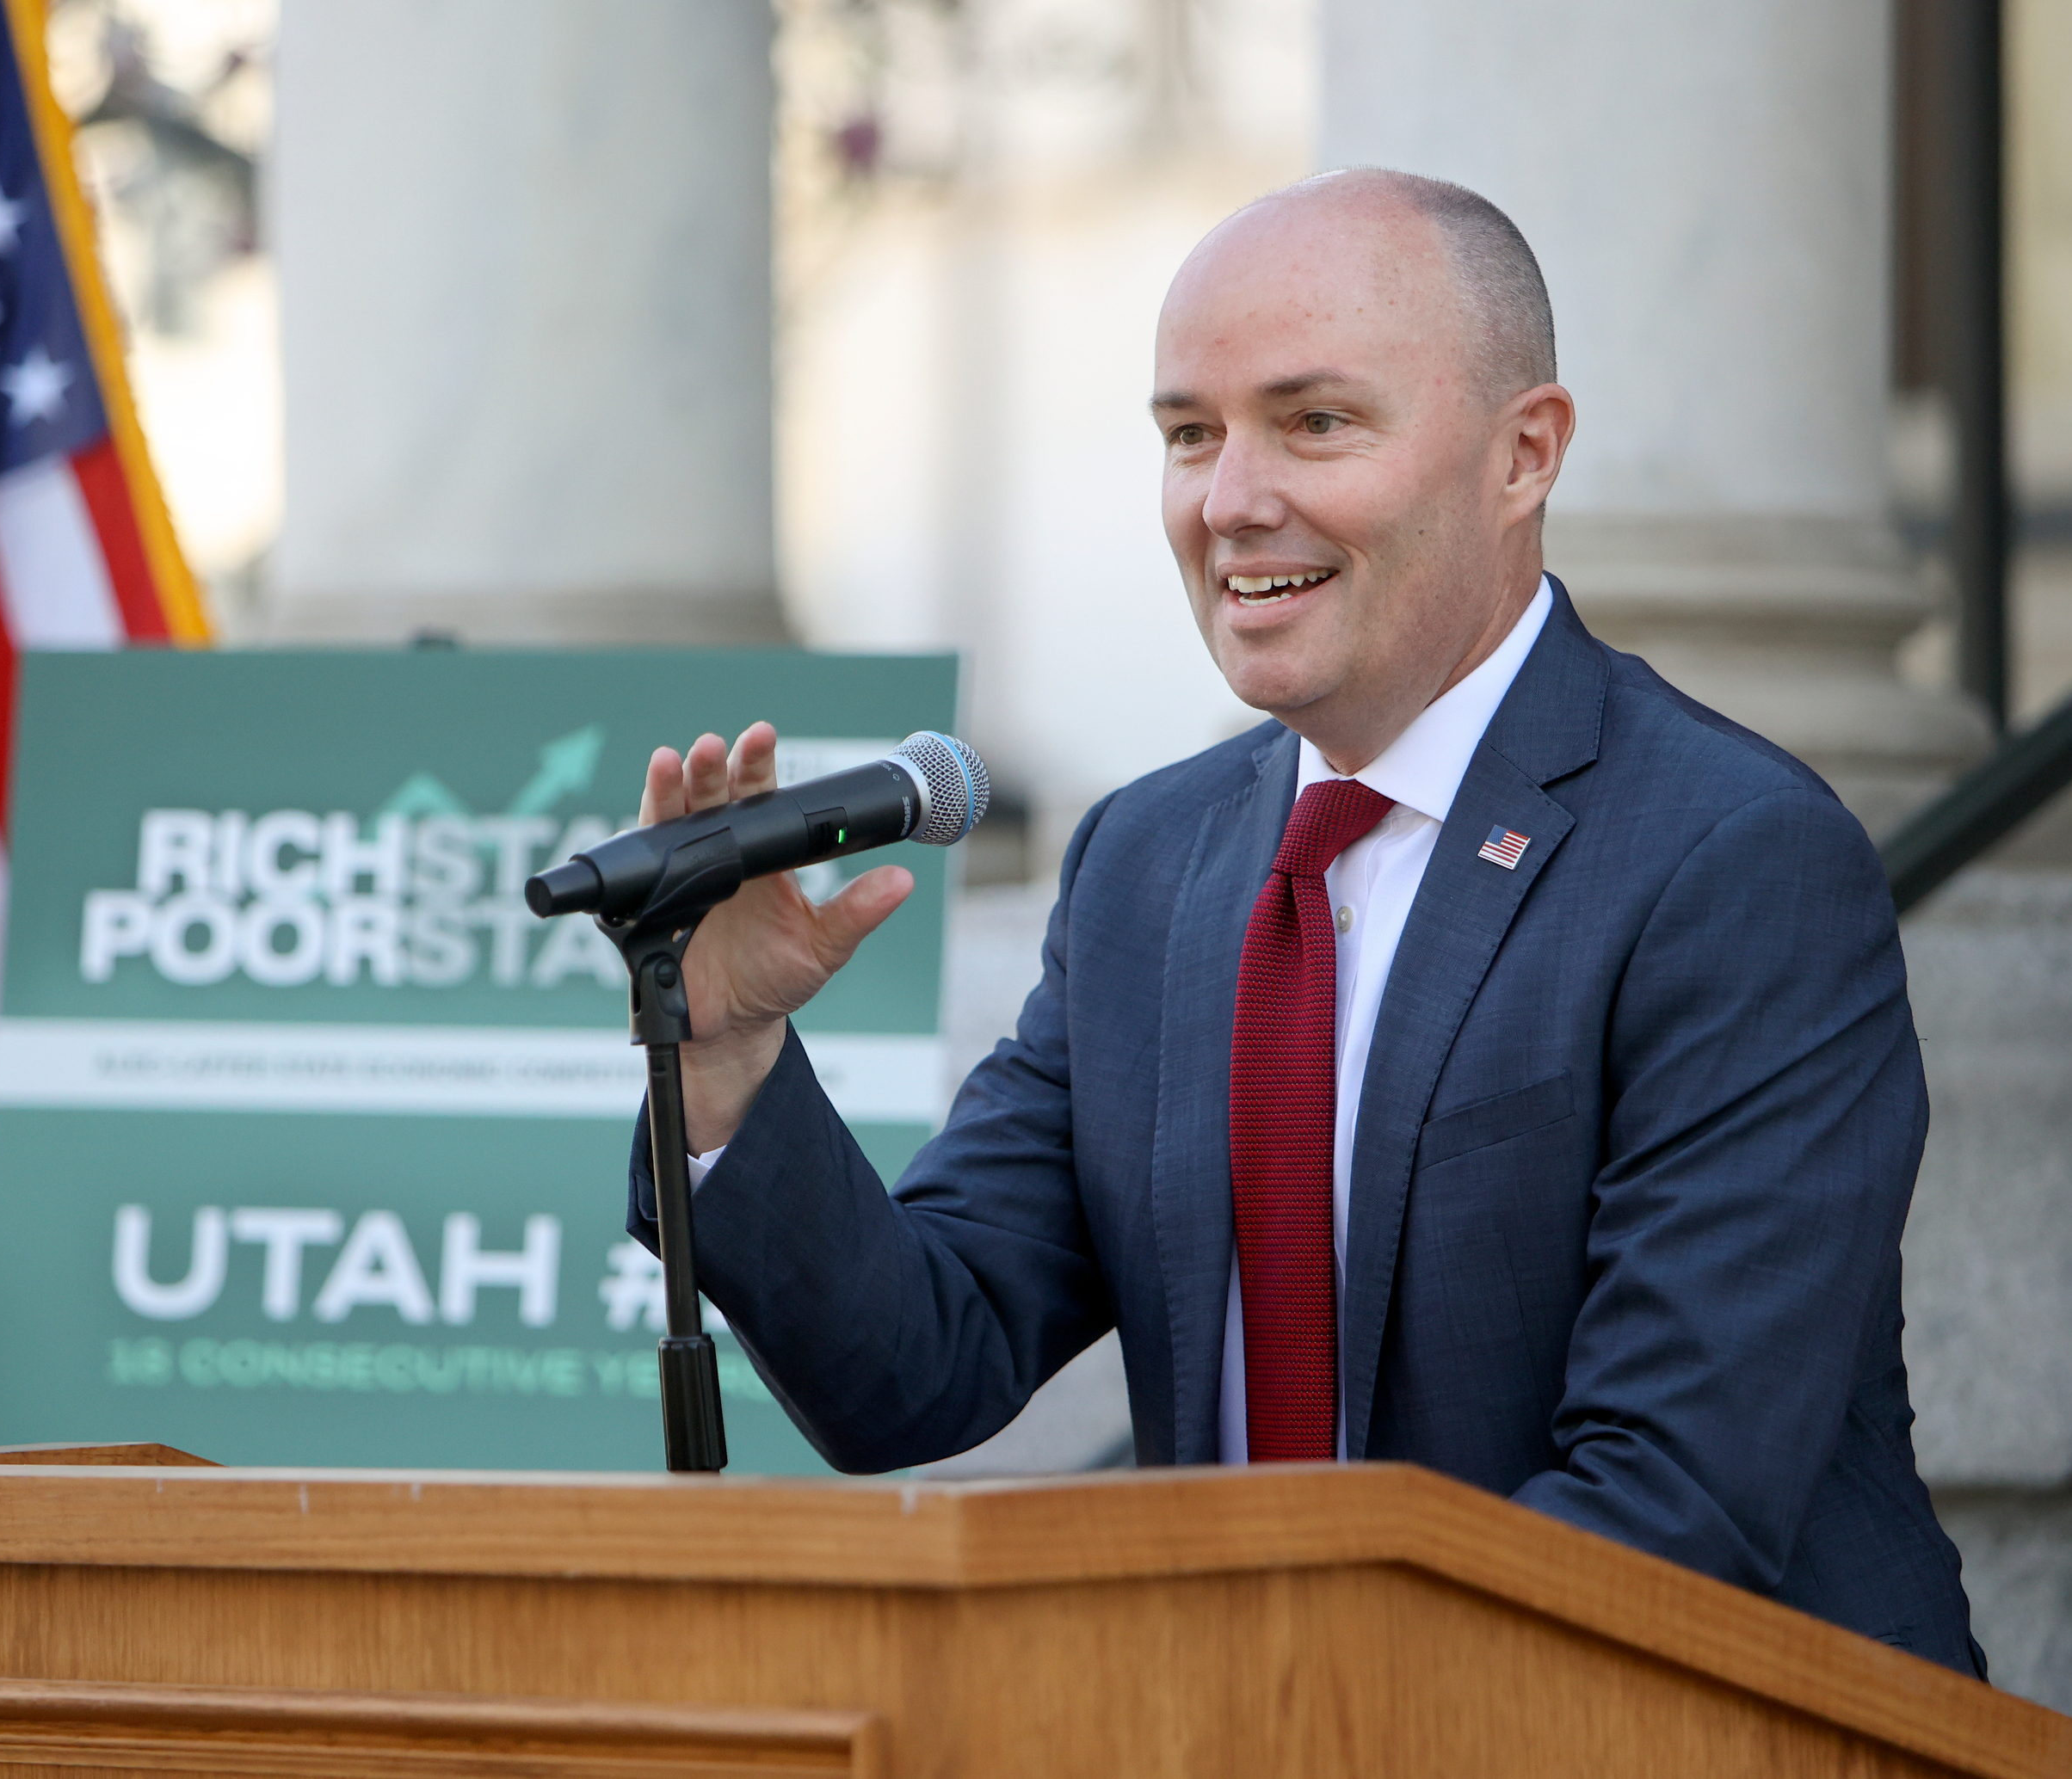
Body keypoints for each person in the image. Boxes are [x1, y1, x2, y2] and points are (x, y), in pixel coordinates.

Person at [624, 168, 1980, 1673]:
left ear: (1524, 453)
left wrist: (1267, 1710)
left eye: (1315, 423)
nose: (1230, 500)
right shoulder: (1150, 860)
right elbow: (917, 1368)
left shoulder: (1732, 859)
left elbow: (1671, 1499)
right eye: (1189, 435)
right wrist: (730, 1053)